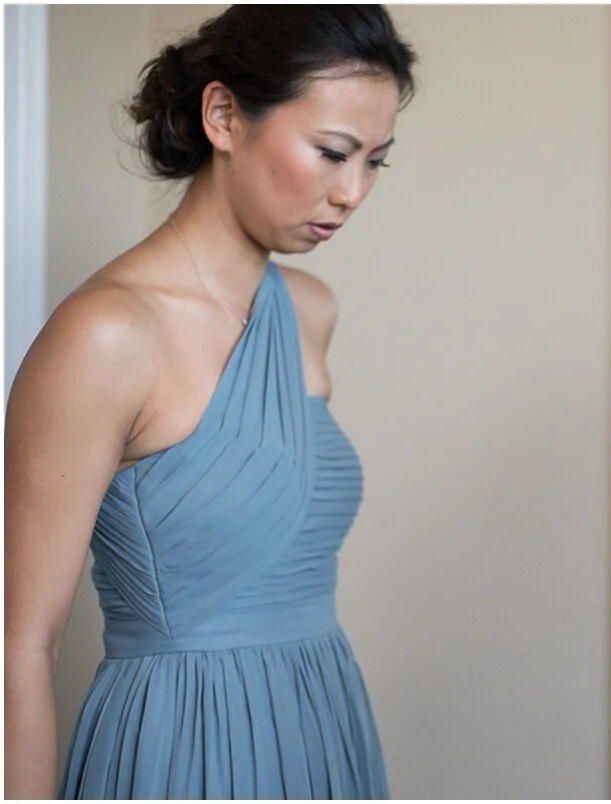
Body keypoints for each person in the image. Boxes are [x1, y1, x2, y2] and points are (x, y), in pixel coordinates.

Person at [4, 6, 416, 799]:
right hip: (179, 745)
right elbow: (20, 647)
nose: (352, 192)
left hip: (323, 723)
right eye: (332, 152)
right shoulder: (106, 336)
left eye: (376, 162)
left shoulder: (310, 312)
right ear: (223, 115)